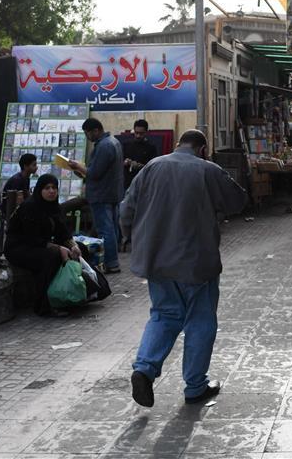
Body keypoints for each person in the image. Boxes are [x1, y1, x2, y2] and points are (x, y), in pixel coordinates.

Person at [120, 129, 246, 408]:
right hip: (196, 261)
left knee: (164, 315)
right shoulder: (207, 170)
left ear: (179, 145)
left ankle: (144, 368)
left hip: (156, 260)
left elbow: (126, 209)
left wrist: (133, 240)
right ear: (202, 148)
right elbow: (238, 201)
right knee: (200, 320)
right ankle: (195, 386)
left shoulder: (151, 167)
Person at [4, 174, 81, 316]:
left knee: (79, 250)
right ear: (40, 190)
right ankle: (43, 306)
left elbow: (62, 230)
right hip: (19, 248)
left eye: (54, 188)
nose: (51, 191)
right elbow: (31, 238)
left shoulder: (53, 207)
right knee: (51, 257)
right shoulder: (30, 206)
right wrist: (58, 248)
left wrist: (73, 245)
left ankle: (73, 295)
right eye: (47, 188)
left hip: (38, 245)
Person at [69, 118, 125, 274]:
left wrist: (79, 167)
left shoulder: (104, 146)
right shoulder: (113, 142)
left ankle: (111, 263)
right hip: (112, 192)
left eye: (87, 133)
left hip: (101, 194)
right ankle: (112, 261)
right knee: (111, 228)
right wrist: (81, 170)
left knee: (105, 230)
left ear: (95, 130)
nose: (87, 137)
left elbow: (94, 173)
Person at [123, 119, 158, 189]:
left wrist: (141, 166)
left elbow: (153, 167)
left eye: (141, 133)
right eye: (136, 133)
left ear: (146, 132)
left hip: (144, 183)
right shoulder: (126, 145)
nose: (138, 136)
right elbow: (120, 162)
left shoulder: (151, 148)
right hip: (128, 183)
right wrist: (125, 162)